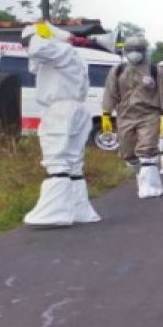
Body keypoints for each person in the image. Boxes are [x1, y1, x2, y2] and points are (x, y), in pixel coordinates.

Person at [22, 22, 102, 227]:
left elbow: (37, 48)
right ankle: (78, 209)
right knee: (73, 164)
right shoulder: (72, 54)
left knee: (57, 160)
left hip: (59, 109)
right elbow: (35, 62)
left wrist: (38, 32)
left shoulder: (60, 50)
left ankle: (53, 212)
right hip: (76, 109)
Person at [102, 35, 163, 199]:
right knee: (128, 153)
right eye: (131, 50)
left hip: (149, 115)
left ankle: (150, 187)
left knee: (146, 149)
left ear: (145, 51)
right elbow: (110, 92)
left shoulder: (156, 71)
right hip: (125, 116)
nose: (135, 54)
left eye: (138, 50)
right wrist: (106, 113)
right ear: (125, 52)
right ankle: (142, 175)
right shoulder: (117, 71)